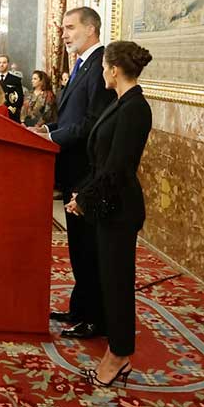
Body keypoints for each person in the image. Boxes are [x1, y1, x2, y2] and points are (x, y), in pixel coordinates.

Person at [65, 42, 153, 386]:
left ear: (114, 70)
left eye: (104, 67)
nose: (101, 72)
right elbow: (101, 161)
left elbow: (117, 169)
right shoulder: (121, 103)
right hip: (106, 206)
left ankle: (118, 355)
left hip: (119, 210)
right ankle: (118, 353)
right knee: (108, 280)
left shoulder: (135, 108)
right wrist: (81, 194)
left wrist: (84, 200)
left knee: (117, 284)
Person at [33, 6, 116, 339]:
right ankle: (80, 308)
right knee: (79, 246)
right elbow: (71, 119)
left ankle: (94, 318)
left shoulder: (99, 66)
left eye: (70, 28)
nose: (64, 34)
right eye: (64, 28)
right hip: (73, 170)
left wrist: (53, 137)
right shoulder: (82, 65)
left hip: (87, 171)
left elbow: (92, 122)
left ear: (91, 29)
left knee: (89, 247)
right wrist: (46, 129)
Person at [0, 55, 25, 122]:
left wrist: (13, 109)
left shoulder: (16, 79)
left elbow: (20, 98)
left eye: (4, 62)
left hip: (11, 114)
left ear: (8, 64)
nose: (1, 65)